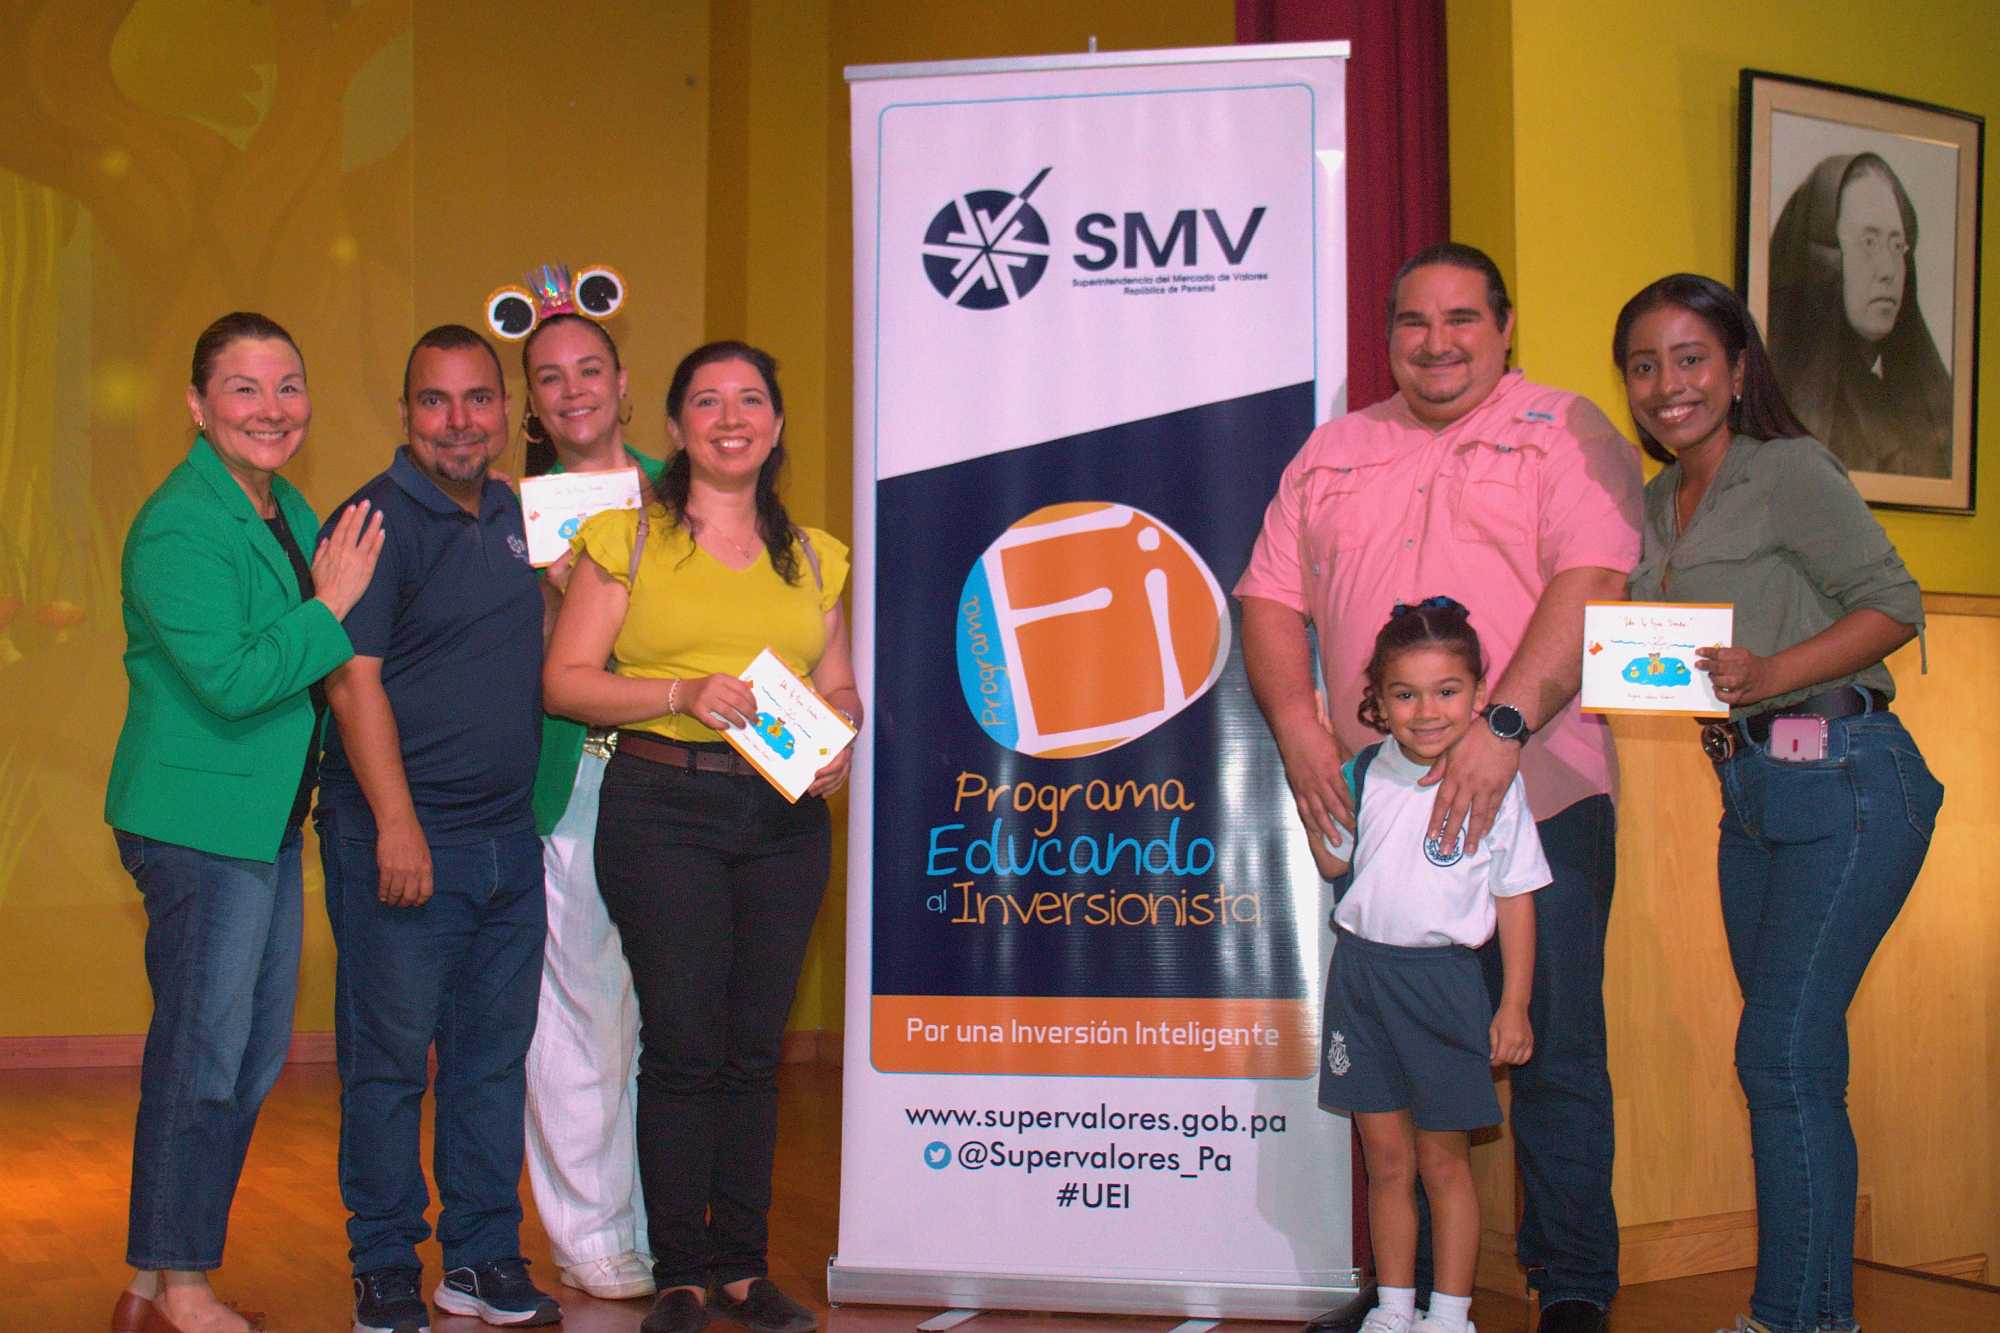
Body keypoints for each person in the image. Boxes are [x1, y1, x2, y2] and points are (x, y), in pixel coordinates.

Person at [1237, 243, 1642, 1332]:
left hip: (1538, 795)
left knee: (1552, 1043)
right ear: (1388, 338)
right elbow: (1267, 597)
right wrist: (1297, 728)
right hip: (1375, 816)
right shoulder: (1331, 450)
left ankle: (1572, 1285)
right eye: (1413, 321)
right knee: (1390, 1062)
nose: (1437, 342)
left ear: (1505, 329)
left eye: (1463, 318)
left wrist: (1501, 727)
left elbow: (1595, 578)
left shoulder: (1565, 430)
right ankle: (1400, 1291)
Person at [1615, 273, 1942, 1333]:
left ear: (1737, 368)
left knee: (1778, 1056)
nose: (1667, 384)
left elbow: (1894, 605)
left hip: (1845, 774)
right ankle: (1815, 1315)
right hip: (1748, 792)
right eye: (1643, 366)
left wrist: (1768, 671)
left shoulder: (1787, 468)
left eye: (1689, 358)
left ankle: (1787, 1319)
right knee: (1793, 1065)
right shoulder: (1654, 504)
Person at [544, 340, 860, 1333]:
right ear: (677, 427)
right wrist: (679, 693)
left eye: (751, 400)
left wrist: (840, 738)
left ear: (776, 423)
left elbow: (839, 681)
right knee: (682, 1046)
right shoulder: (625, 539)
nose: (732, 419)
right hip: (661, 809)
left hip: (782, 819)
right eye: (709, 402)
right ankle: (679, 1271)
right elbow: (565, 681)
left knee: (753, 1051)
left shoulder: (814, 555)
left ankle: (743, 1271)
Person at [104, 312, 383, 1333]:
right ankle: (183, 1284)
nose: (272, 409)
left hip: (262, 822)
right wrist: (331, 603)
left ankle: (150, 1282)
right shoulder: (179, 525)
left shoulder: (284, 506)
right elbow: (231, 679)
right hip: (198, 821)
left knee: (246, 1058)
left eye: (288, 386)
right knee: (205, 1058)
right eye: (244, 387)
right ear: (197, 404)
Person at [316, 325, 560, 1332]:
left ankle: (481, 1256)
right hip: (403, 843)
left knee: (490, 1064)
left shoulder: (516, 515)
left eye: (476, 398)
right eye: (434, 399)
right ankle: (383, 1264)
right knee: (386, 1066)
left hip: (508, 843)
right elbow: (350, 679)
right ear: (406, 412)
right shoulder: (372, 521)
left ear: (505, 412)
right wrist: (397, 823)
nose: (457, 420)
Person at [1315, 598, 1546, 1333]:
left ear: (1479, 693)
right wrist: (1311, 781)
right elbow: (1334, 862)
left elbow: (1516, 896)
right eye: (1405, 694)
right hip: (1360, 981)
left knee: (1444, 1162)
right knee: (1386, 1161)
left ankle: (1449, 1315)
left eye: (1446, 691)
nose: (1426, 712)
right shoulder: (1361, 774)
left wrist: (1513, 1004)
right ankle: (1394, 1308)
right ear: (1378, 703)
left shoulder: (1495, 784)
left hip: (1443, 985)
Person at [519, 312, 663, 1301]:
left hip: (685, 780)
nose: (572, 389)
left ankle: (670, 1226)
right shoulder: (509, 515)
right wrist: (556, 597)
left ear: (622, 382)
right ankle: (594, 1234)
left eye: (588, 369)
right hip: (572, 777)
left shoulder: (689, 491)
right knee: (580, 1012)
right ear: (532, 403)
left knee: (677, 1016)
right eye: (548, 376)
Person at [1767, 152, 1953, 478]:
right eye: (1869, 242)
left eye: (1896, 246)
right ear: (1823, 259)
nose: (1888, 271)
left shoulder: (1931, 412)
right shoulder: (1778, 404)